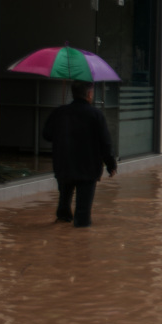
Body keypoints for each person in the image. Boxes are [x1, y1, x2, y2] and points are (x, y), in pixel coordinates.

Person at [42, 80, 117, 227]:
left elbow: (47, 135)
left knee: (64, 204)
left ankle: (62, 231)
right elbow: (105, 143)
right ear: (89, 94)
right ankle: (80, 243)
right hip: (87, 168)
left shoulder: (59, 112)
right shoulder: (95, 114)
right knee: (82, 215)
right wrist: (110, 164)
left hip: (63, 165)